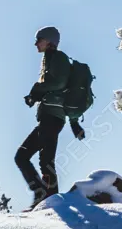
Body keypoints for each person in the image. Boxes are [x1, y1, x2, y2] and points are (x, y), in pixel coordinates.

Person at [15, 26, 85, 209]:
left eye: (39, 39)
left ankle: (49, 200)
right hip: (49, 117)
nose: (36, 43)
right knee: (25, 157)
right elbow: (56, 88)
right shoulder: (50, 59)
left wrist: (36, 89)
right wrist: (35, 96)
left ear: (49, 41)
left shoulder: (58, 57)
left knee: (41, 159)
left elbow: (60, 83)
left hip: (53, 118)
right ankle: (44, 196)